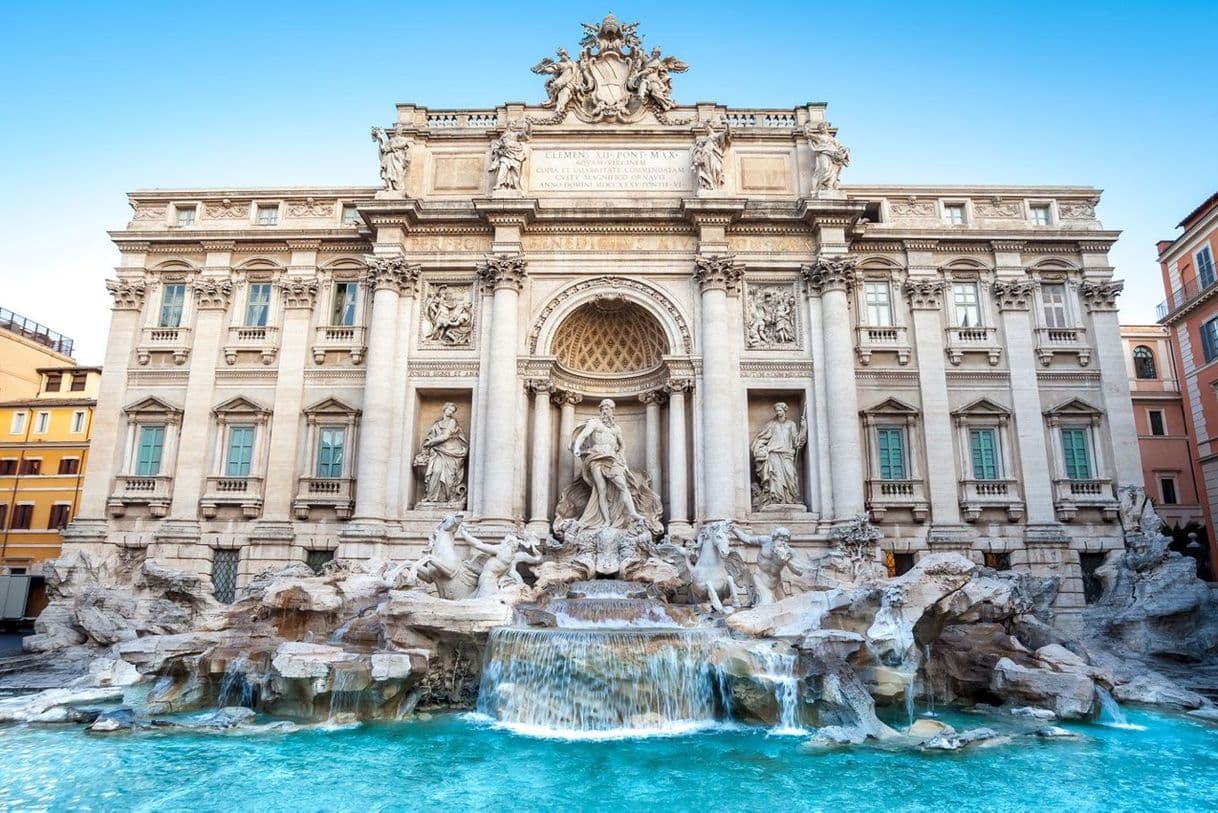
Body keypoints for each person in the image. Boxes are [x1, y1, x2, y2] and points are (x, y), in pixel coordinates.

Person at [570, 399, 644, 529]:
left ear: (613, 411)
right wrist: (577, 448)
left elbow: (622, 445)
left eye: (608, 408)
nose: (605, 411)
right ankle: (606, 521)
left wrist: (621, 456)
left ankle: (633, 513)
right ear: (600, 410)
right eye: (603, 408)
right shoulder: (595, 423)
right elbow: (583, 435)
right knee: (601, 490)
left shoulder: (616, 429)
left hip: (612, 459)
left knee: (622, 485)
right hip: (596, 458)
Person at [730, 525, 804, 605]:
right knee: (766, 604)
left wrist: (787, 561)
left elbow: (799, 572)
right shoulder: (765, 541)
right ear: (774, 538)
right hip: (760, 579)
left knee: (782, 606)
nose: (783, 543)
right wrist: (733, 529)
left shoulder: (789, 552)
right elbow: (748, 539)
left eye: (786, 541)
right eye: (781, 540)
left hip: (776, 584)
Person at [750, 402, 807, 507]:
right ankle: (776, 500)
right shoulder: (771, 424)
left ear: (785, 411)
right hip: (773, 454)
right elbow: (761, 439)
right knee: (775, 477)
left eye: (780, 410)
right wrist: (760, 448)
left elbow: (797, 442)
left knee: (791, 475)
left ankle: (792, 498)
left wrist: (803, 428)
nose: (778, 412)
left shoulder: (791, 425)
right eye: (776, 411)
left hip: (787, 454)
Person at [415, 403, 468, 503]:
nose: (451, 412)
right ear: (444, 409)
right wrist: (428, 443)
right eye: (449, 410)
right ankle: (432, 497)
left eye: (453, 411)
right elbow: (430, 436)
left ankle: (447, 498)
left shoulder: (452, 422)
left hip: (451, 451)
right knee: (436, 472)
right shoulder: (437, 424)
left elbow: (446, 436)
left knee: (449, 477)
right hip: (438, 451)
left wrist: (431, 442)